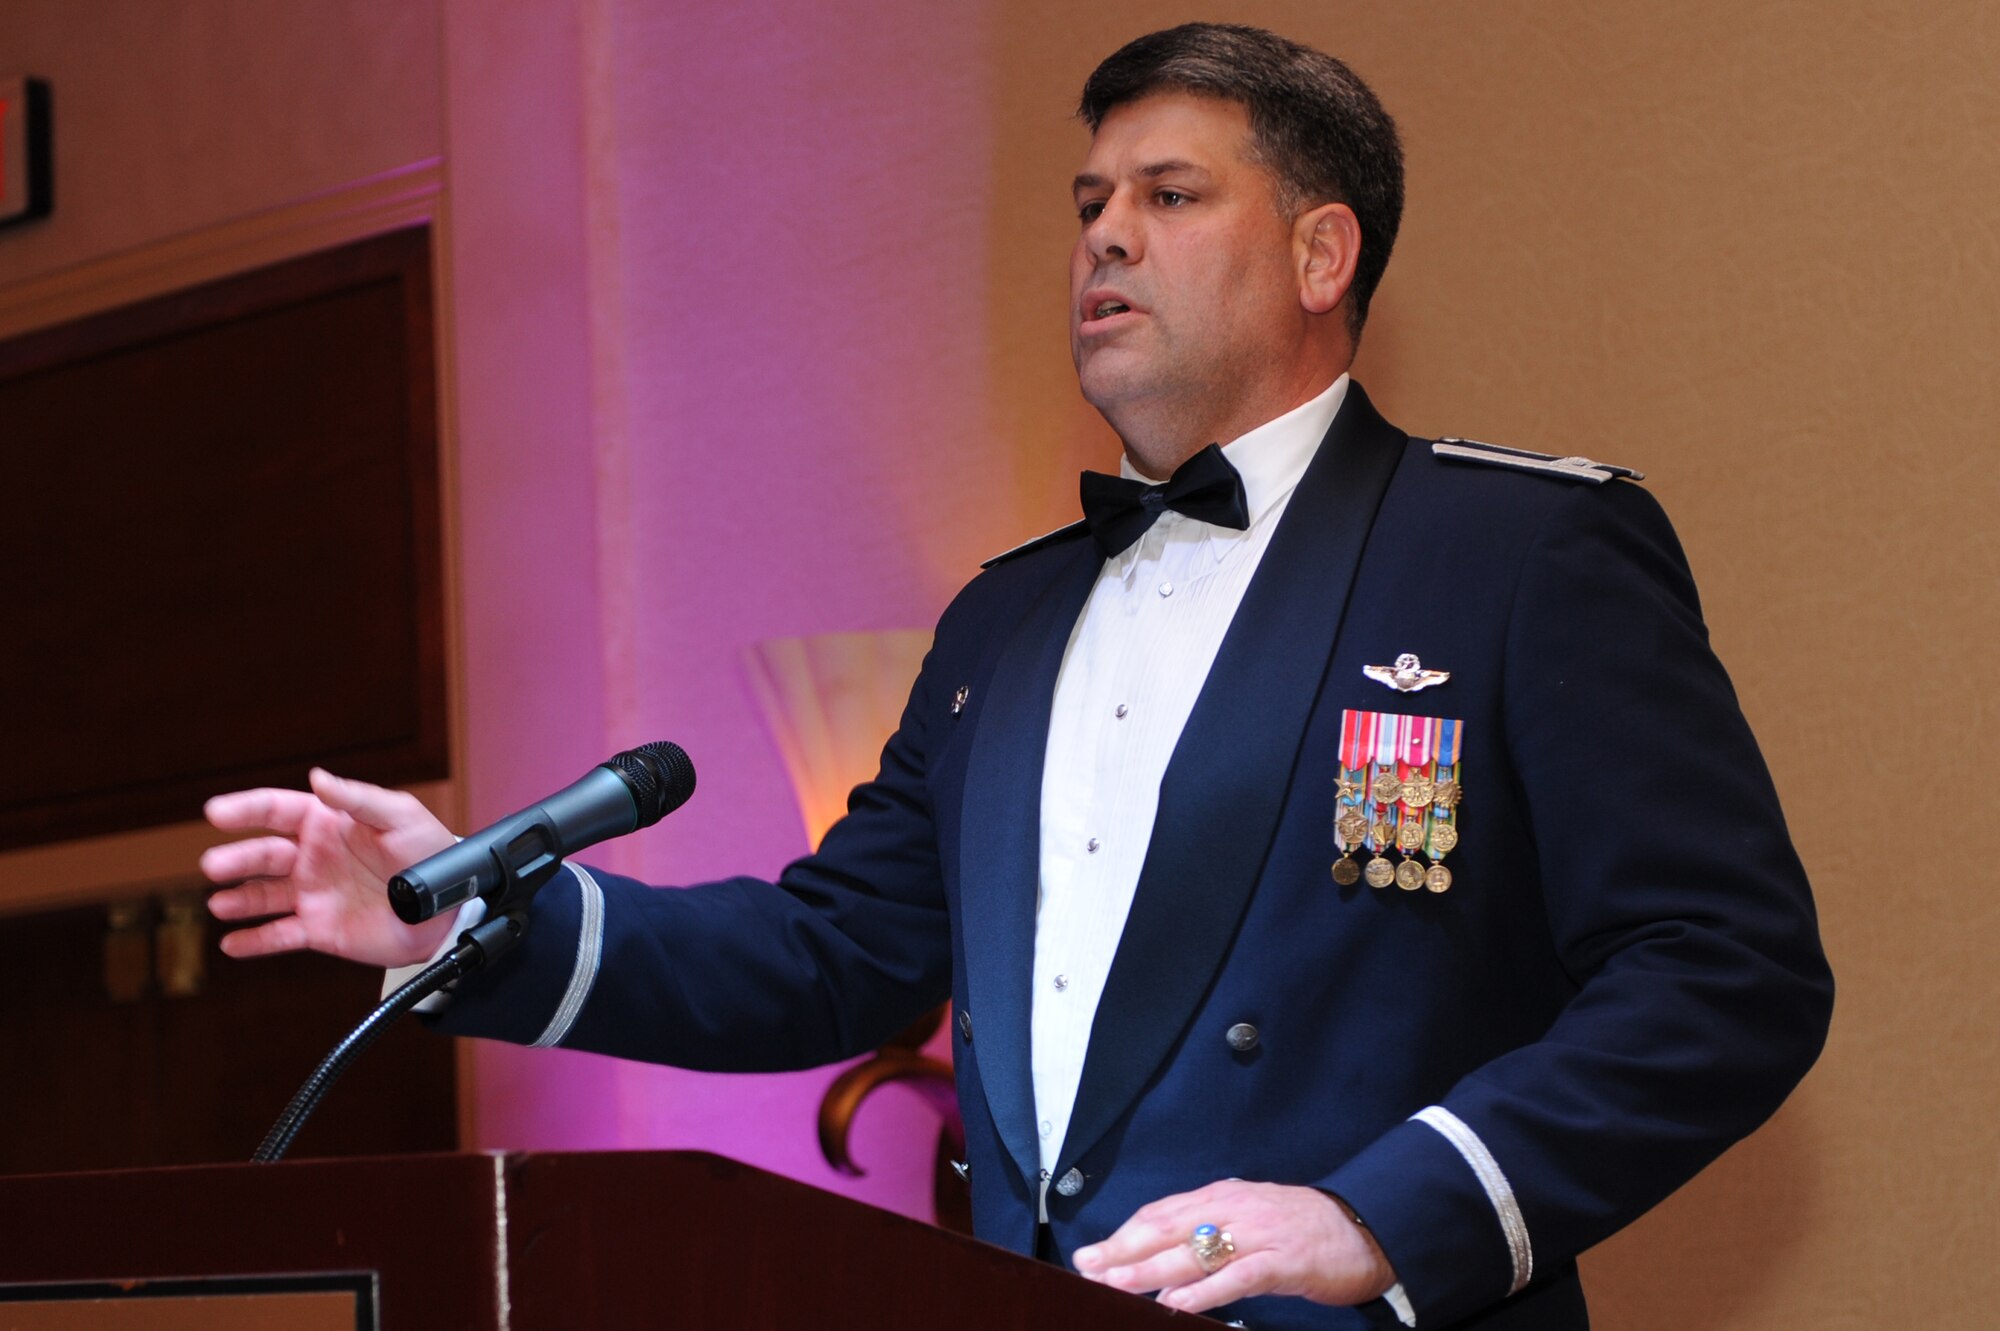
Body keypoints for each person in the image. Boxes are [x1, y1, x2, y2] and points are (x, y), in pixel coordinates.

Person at [202, 24, 1832, 1330]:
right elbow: (835, 953)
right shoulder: (1004, 619)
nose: (1107, 236)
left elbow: (1725, 971)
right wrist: (474, 908)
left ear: (1324, 252)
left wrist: (1374, 1216)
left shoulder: (1517, 551)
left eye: (1172, 196)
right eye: (1089, 204)